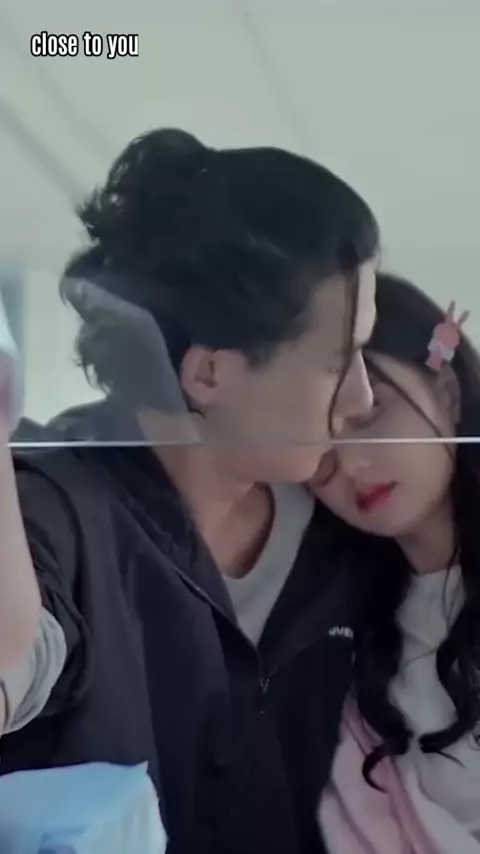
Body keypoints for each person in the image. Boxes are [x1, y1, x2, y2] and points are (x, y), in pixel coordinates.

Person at [0, 128, 379, 854]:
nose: (363, 399)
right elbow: (20, 651)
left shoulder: (342, 536)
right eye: (339, 363)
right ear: (209, 374)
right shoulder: (51, 510)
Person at [311, 273, 480, 853]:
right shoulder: (344, 630)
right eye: (318, 449)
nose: (350, 466)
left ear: (446, 392)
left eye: (367, 415)